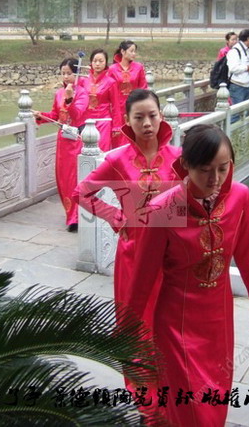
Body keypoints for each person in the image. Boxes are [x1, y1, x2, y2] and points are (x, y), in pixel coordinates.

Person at [127, 124, 249, 427]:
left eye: (223, 168)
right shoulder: (165, 208)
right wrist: (127, 331)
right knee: (189, 404)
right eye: (205, 170)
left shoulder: (239, 197)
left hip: (218, 320)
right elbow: (142, 278)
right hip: (176, 322)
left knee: (214, 397)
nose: (215, 179)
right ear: (186, 165)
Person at [73, 89, 180, 325]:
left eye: (152, 115)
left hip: (171, 254)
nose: (147, 123)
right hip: (134, 252)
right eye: (139, 117)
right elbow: (81, 193)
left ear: (161, 115)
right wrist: (116, 217)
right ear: (127, 120)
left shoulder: (179, 158)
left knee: (168, 321)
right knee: (133, 320)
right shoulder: (118, 160)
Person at [34, 58, 89, 232]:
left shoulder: (82, 93)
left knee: (74, 178)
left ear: (76, 74)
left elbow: (77, 114)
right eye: (63, 73)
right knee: (63, 179)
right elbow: (55, 115)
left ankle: (76, 217)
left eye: (69, 73)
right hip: (62, 142)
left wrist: (70, 99)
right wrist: (41, 115)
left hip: (76, 141)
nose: (65, 77)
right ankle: (70, 214)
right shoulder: (59, 93)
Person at [108, 40, 148, 148]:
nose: (134, 54)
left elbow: (143, 88)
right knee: (118, 139)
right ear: (123, 51)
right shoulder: (112, 69)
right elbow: (109, 91)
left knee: (134, 137)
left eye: (135, 51)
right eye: (131, 51)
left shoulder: (138, 67)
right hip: (117, 109)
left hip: (134, 107)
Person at [80, 48, 121, 152]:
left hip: (104, 122)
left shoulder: (111, 82)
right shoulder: (83, 80)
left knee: (102, 152)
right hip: (86, 122)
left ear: (106, 63)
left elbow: (116, 106)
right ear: (91, 62)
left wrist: (116, 126)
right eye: (95, 61)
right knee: (85, 152)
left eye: (101, 61)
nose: (97, 64)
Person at [226, 28, 249, 106]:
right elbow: (233, 68)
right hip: (237, 86)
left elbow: (248, 64)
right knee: (237, 111)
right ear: (248, 39)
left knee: (245, 110)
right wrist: (247, 68)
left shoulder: (247, 50)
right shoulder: (235, 51)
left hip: (246, 86)